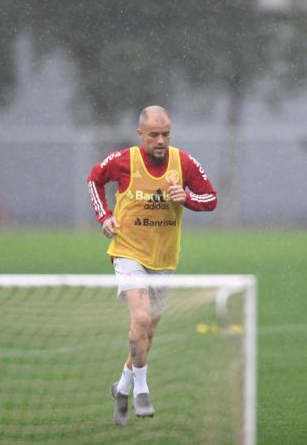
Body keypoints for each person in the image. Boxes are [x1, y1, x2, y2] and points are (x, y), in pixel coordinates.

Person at [87, 106, 217, 425]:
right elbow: (94, 180)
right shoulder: (123, 161)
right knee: (141, 318)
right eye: (155, 135)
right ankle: (141, 390)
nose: (161, 141)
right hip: (128, 252)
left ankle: (121, 387)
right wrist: (104, 217)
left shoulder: (183, 162)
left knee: (148, 333)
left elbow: (211, 199)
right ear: (140, 134)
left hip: (164, 259)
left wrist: (184, 197)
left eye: (166, 134)